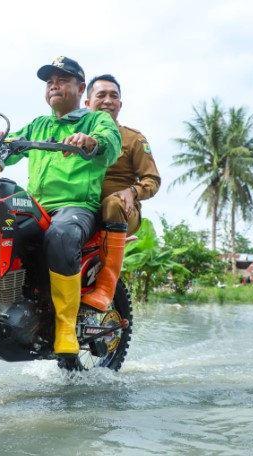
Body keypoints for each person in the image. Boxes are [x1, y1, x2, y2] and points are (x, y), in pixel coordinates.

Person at [4, 56, 121, 356]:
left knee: (61, 234)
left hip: (75, 207)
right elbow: (9, 145)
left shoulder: (96, 120)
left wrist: (90, 141)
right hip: (34, 206)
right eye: (49, 81)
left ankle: (66, 326)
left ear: (81, 88)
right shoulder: (38, 125)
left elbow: (110, 144)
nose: (53, 85)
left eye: (62, 79)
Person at [80, 74, 161, 311]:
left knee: (112, 203)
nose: (108, 100)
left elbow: (152, 179)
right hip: (81, 208)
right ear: (87, 103)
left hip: (123, 211)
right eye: (101, 95)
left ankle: (106, 287)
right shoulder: (75, 136)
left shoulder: (133, 138)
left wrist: (133, 191)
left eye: (113, 96)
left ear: (120, 104)